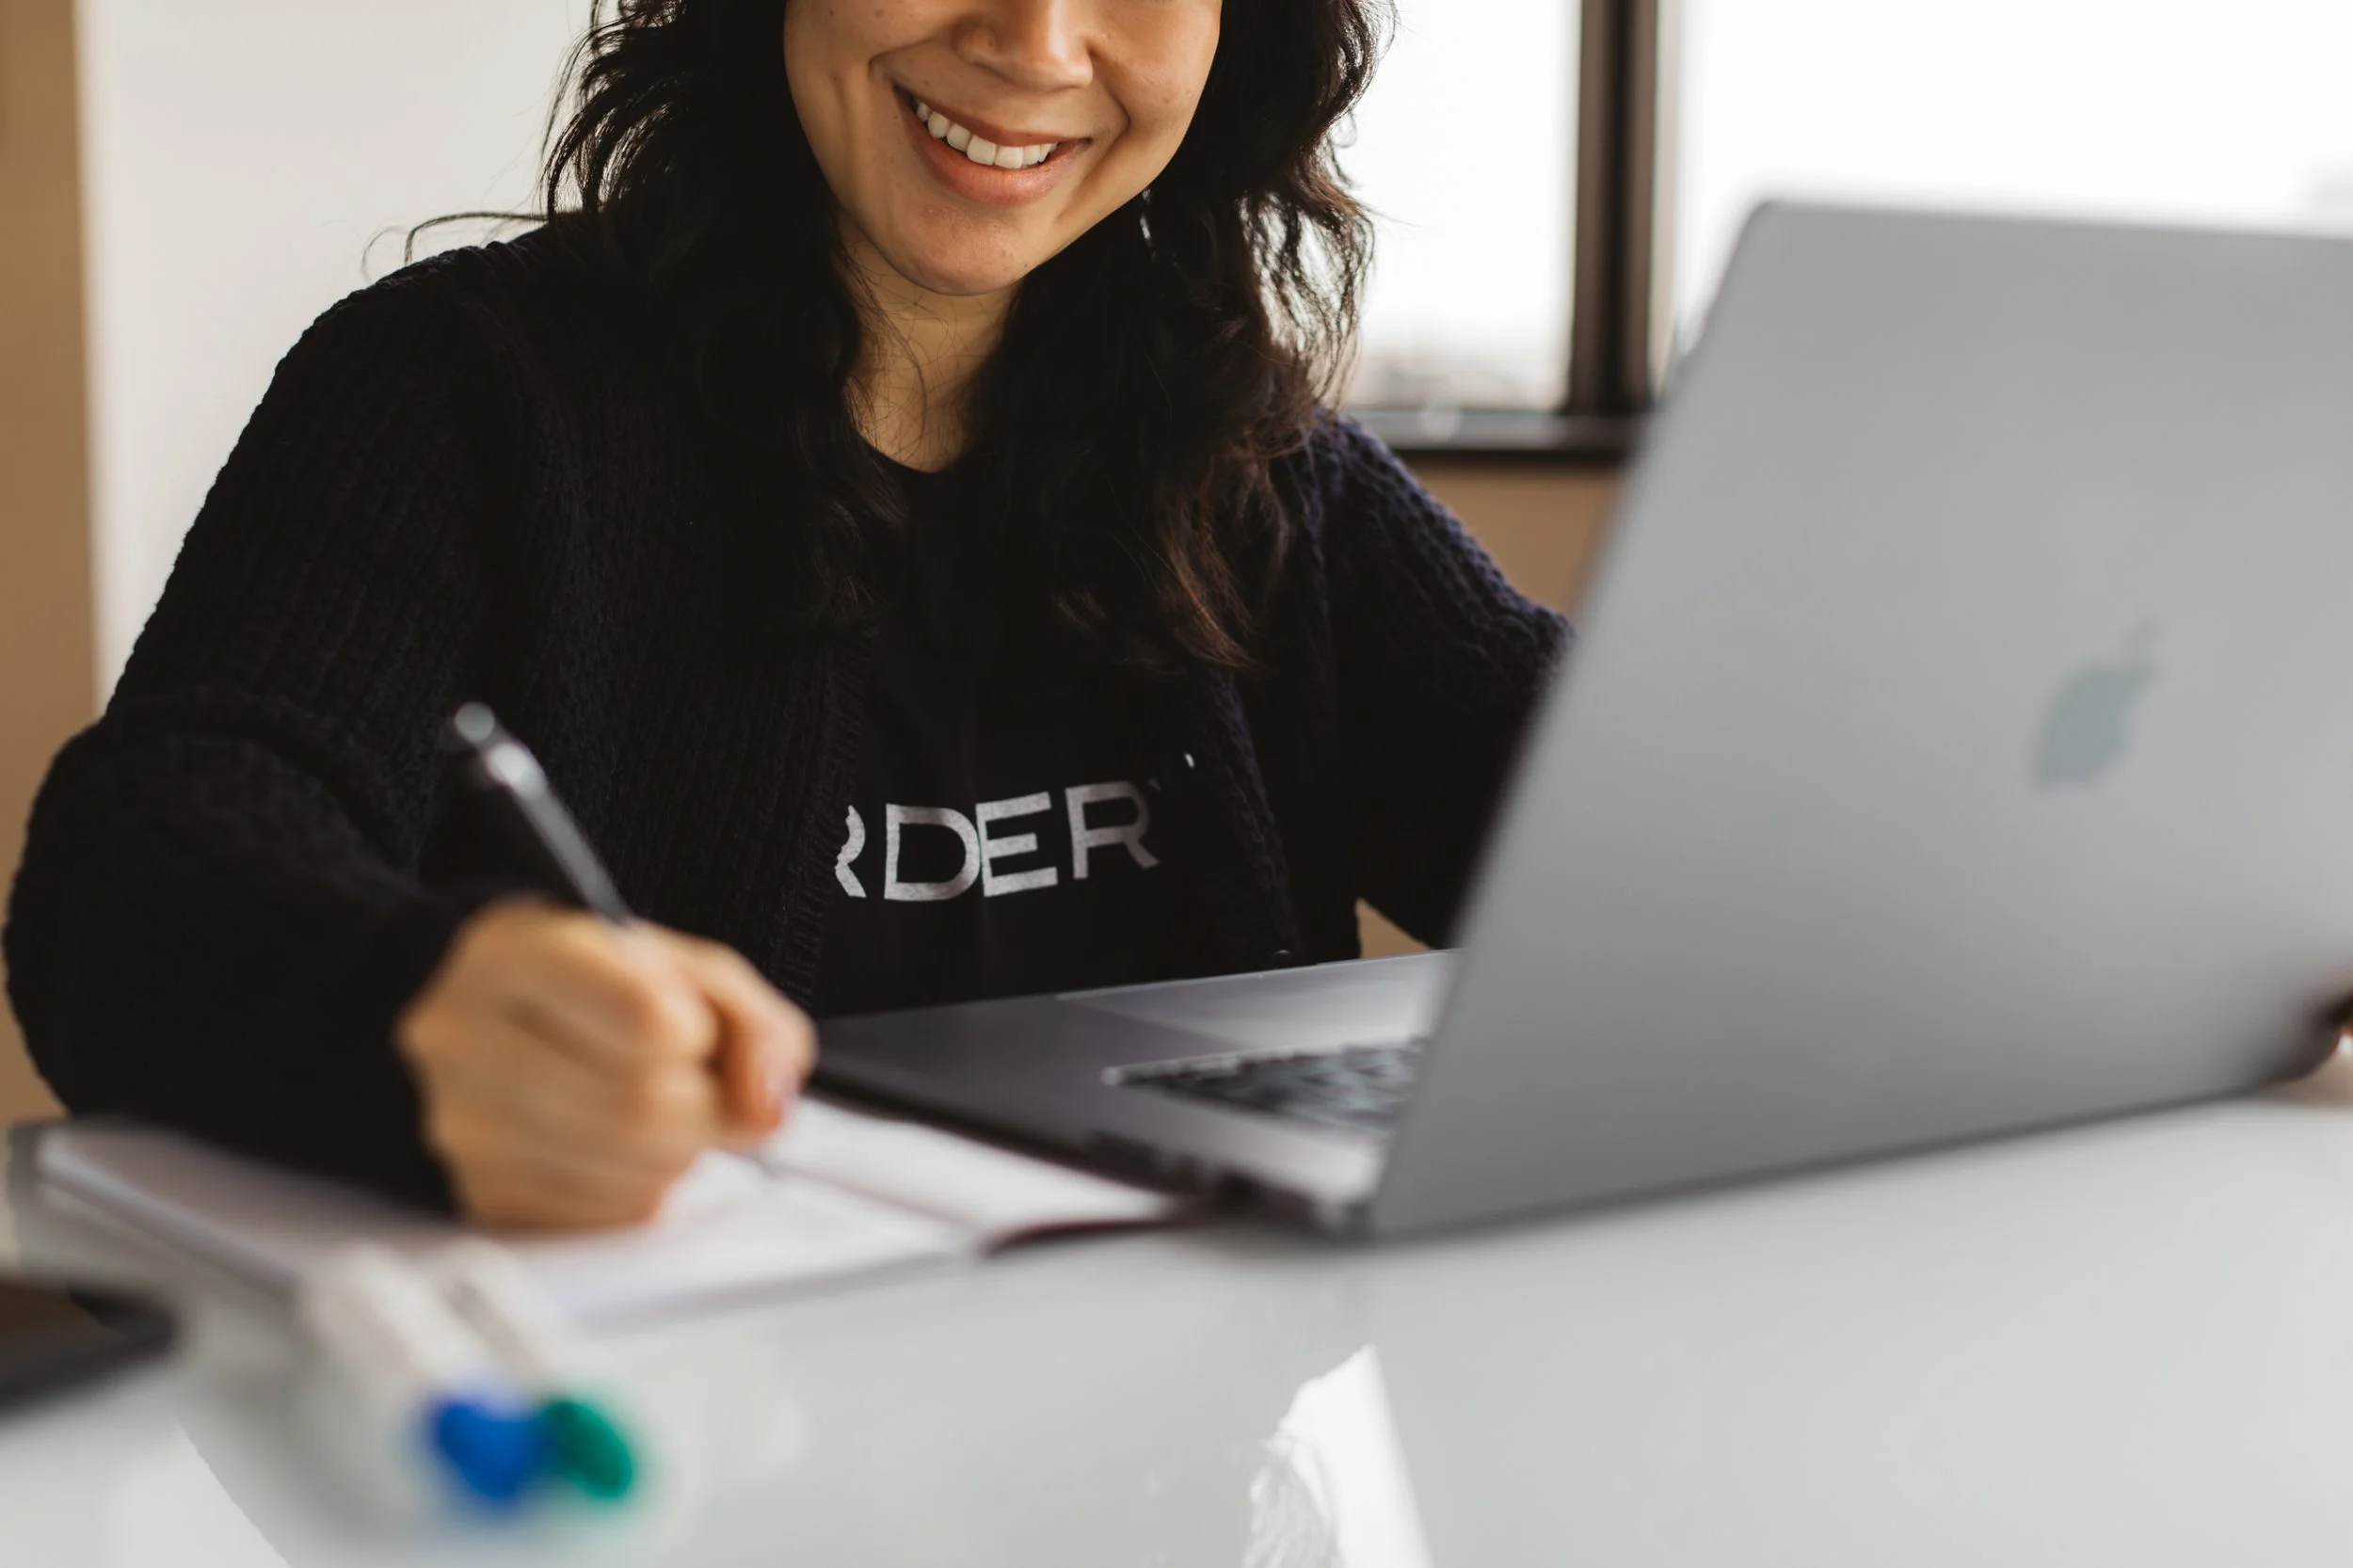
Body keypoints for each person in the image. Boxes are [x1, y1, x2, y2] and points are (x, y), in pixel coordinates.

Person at [4, 0, 1566, 1229]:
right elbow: (128, 876)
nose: (1035, 43)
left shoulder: (1265, 472)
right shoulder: (456, 398)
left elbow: (1629, 840)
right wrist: (410, 1010)